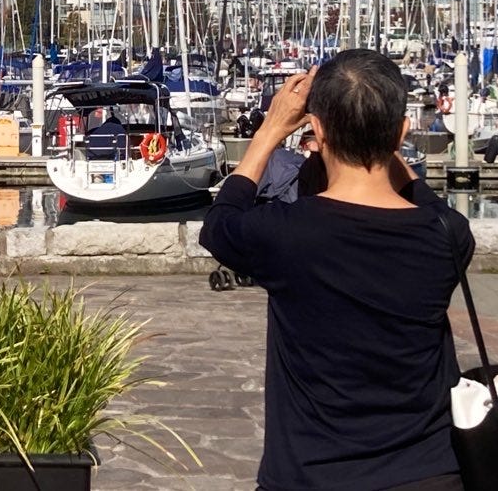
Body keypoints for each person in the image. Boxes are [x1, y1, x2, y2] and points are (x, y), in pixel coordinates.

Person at [200, 49, 474, 491]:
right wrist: (383, 140)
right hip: (428, 471)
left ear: (318, 131)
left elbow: (220, 222)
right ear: (402, 133)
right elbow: (422, 197)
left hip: (311, 474)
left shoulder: (286, 234)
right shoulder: (446, 235)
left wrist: (271, 129)